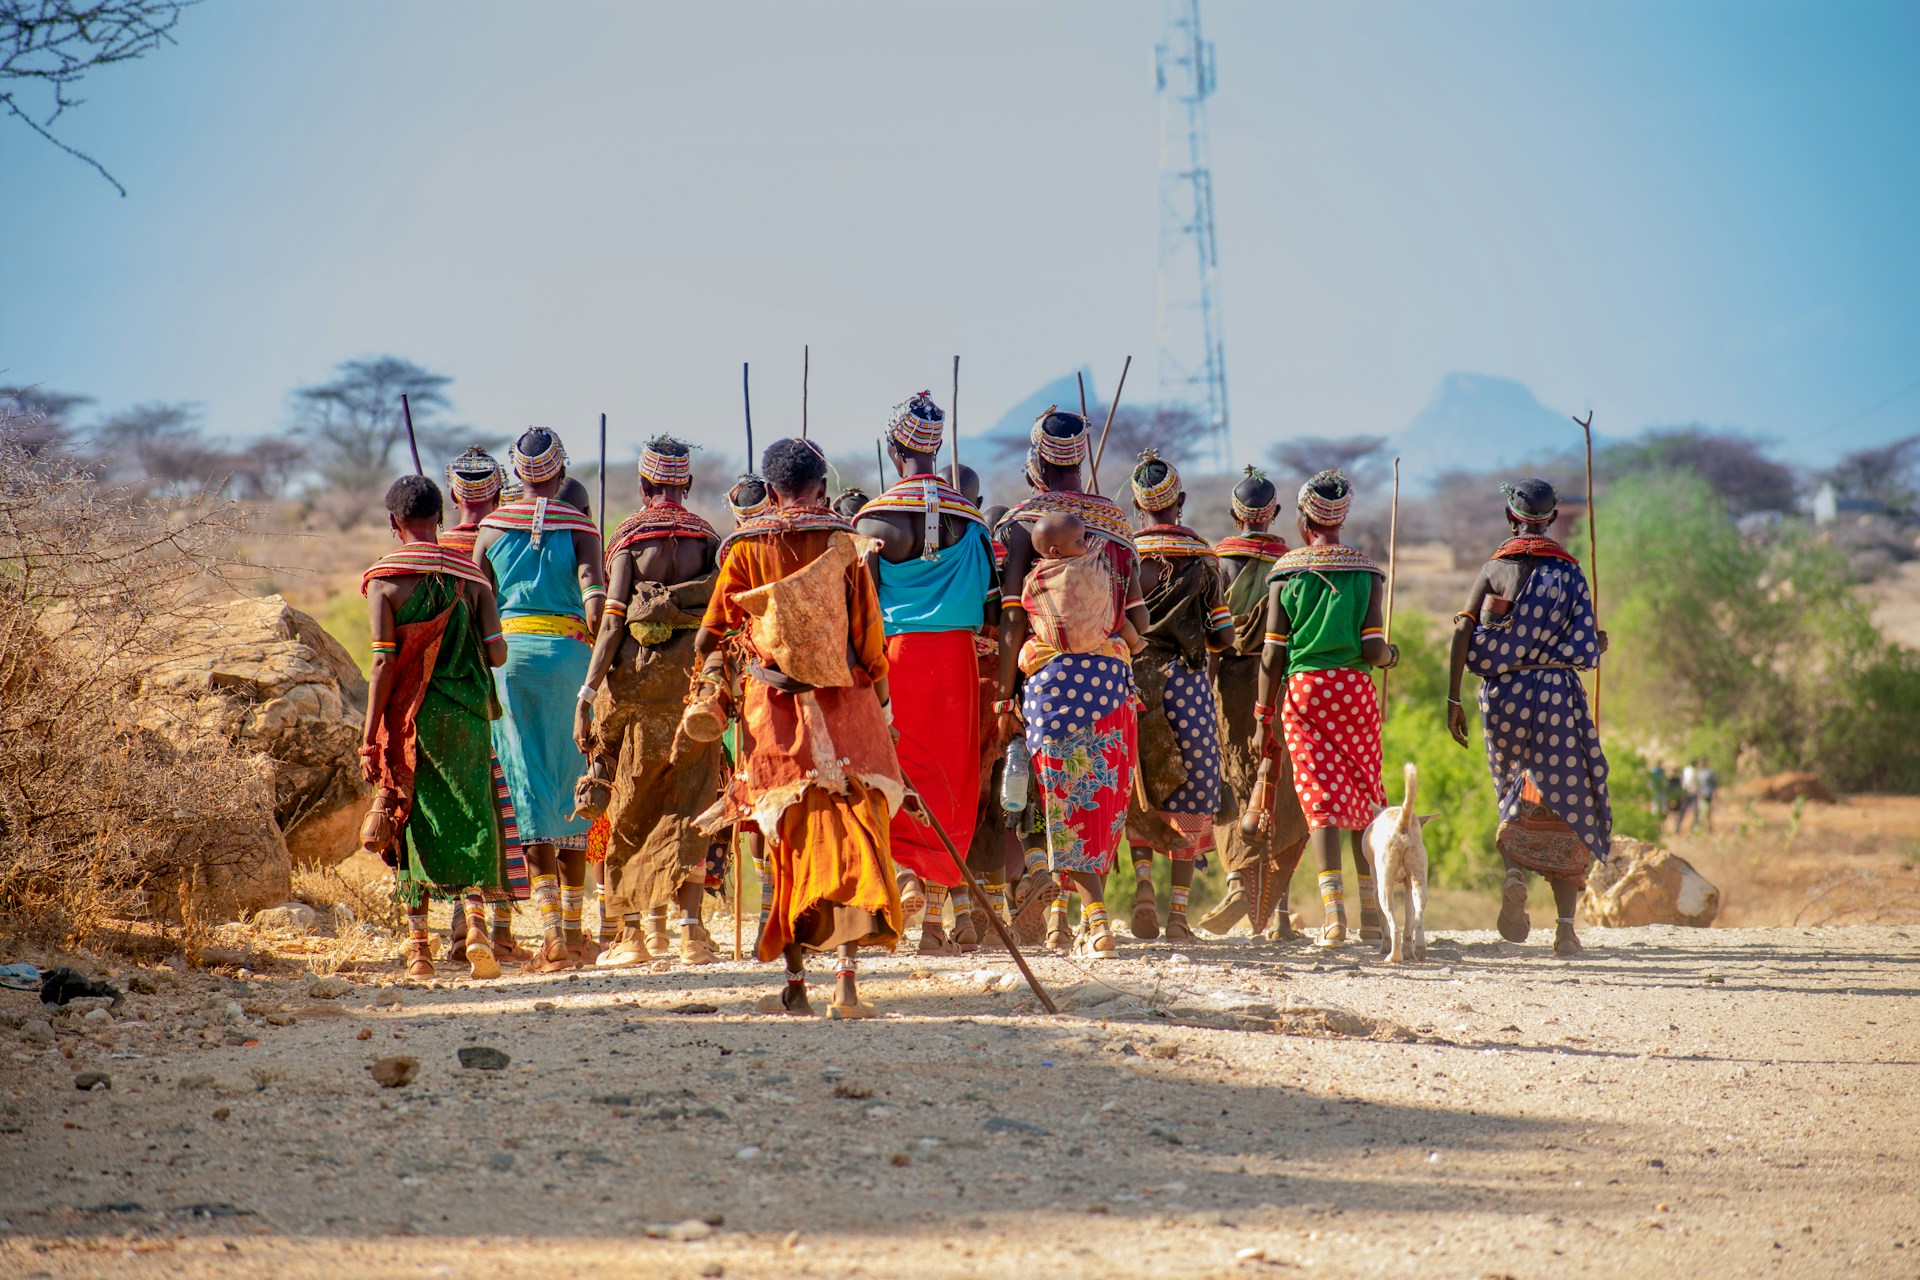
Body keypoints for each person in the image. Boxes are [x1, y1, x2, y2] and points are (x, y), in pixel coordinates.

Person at [692, 438, 905, 1017]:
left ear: (770, 485)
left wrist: (721, 672)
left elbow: (711, 632)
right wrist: (883, 708)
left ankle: (795, 985)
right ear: (819, 486)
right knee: (857, 829)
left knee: (786, 836)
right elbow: (868, 639)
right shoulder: (845, 542)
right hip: (849, 704)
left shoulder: (743, 546)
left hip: (772, 711)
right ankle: (847, 983)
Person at [995, 409, 1150, 959]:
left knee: (1056, 796)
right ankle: (1074, 919)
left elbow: (1011, 616)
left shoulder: (1021, 523)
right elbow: (1141, 620)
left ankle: (1090, 919)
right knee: (1098, 797)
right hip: (1110, 678)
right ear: (1081, 458)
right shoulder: (1115, 527)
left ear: (1036, 461)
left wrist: (1002, 691)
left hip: (1050, 680)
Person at [854, 392, 999, 954]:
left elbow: (860, 608)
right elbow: (991, 610)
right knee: (953, 781)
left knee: (896, 772)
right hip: (958, 665)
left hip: (895, 662)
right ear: (935, 448)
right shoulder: (973, 522)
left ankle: (907, 880)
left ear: (895, 450)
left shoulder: (873, 520)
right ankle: (936, 923)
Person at [574, 436, 725, 968]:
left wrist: (588, 691)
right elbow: (718, 620)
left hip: (632, 690)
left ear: (643, 485)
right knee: (689, 803)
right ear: (685, 483)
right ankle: (693, 935)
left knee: (625, 805)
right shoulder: (709, 539)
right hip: (690, 689)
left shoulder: (629, 538)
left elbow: (613, 621)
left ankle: (631, 935)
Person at [1445, 478, 1611, 958]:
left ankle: (1515, 874)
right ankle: (1564, 929)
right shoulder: (1571, 573)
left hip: (1505, 696)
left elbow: (1463, 631)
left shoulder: (1496, 568)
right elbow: (1584, 648)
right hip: (1558, 694)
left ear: (1509, 517)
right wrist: (1595, 643)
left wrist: (1452, 699)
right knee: (1567, 798)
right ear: (1553, 518)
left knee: (1514, 788)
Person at [358, 475, 510, 980]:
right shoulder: (470, 574)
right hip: (466, 716)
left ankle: (419, 949)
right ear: (440, 519)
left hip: (410, 720)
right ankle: (479, 929)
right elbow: (497, 652)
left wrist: (369, 733)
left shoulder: (383, 580)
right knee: (473, 813)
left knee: (412, 816)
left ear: (393, 522)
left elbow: (382, 664)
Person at [470, 428, 607, 972]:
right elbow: (596, 602)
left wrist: (490, 652)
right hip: (571, 659)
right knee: (574, 785)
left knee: (526, 785)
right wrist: (599, 657)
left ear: (517, 472)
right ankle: (574, 937)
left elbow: (475, 600)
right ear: (560, 468)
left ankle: (551, 937)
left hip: (509, 664)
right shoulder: (581, 527)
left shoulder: (489, 527)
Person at [1255, 470, 1398, 948]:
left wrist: (1261, 716)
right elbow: (1375, 651)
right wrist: (1392, 656)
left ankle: (1334, 918)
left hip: (1305, 694)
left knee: (1321, 801)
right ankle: (1373, 919)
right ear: (1342, 517)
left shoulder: (1287, 572)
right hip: (1355, 693)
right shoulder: (1366, 572)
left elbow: (1273, 655)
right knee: (1366, 797)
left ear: (1303, 521)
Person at [1123, 451, 1233, 942]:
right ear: (1181, 501)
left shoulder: (1123, 553)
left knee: (1139, 781)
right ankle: (1178, 916)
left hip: (1131, 677)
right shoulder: (1205, 559)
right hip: (1186, 682)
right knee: (1194, 786)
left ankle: (1143, 886)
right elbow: (1223, 636)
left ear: (1136, 503)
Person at [1200, 466, 1313, 941]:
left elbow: (1211, 636)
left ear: (1233, 514)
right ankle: (1279, 914)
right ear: (1276, 515)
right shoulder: (1294, 564)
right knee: (1280, 786)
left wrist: (1205, 693)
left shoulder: (1214, 561)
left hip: (1229, 682)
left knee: (1234, 776)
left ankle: (1237, 883)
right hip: (1281, 682)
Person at [433, 447, 532, 965]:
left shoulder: (436, 551)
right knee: (504, 800)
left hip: (450, 693)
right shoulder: (508, 541)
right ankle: (500, 932)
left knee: (463, 802)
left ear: (454, 495)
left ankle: (458, 930)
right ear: (497, 492)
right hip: (505, 680)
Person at [1694, 758, 1716, 834]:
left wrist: (1714, 793)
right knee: (1702, 812)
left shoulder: (1709, 772)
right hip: (1701, 794)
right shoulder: (1699, 773)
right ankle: (1703, 828)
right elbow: (1698, 784)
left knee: (1708, 812)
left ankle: (1709, 828)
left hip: (1708, 794)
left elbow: (1714, 783)